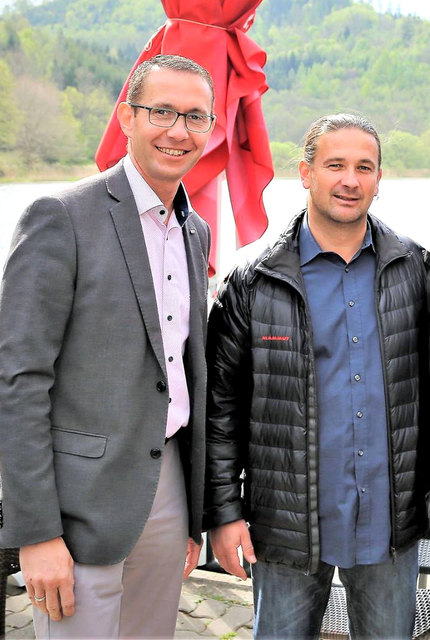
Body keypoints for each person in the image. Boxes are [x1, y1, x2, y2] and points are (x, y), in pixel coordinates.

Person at [0, 54, 216, 639]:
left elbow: (183, 367)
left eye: (195, 116)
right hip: (78, 504)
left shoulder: (196, 232)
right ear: (126, 116)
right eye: (162, 111)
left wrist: (192, 517)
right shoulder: (60, 217)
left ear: (211, 129)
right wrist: (35, 531)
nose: (178, 130)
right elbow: (18, 379)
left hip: (168, 485)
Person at [204, 113, 430, 639]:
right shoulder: (252, 279)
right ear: (305, 173)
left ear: (378, 179)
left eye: (364, 167)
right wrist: (223, 513)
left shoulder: (416, 270)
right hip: (284, 528)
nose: (350, 180)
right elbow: (221, 410)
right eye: (335, 165)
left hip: (389, 526)